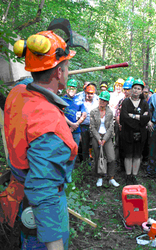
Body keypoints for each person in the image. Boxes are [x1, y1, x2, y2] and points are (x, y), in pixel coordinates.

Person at [3, 30, 78, 250]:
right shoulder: (49, 125)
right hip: (41, 216)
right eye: (66, 66)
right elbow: (43, 192)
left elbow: (29, 81)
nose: (68, 71)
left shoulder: (17, 94)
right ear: (58, 72)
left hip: (18, 195)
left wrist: (45, 73)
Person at [120, 79, 150, 184]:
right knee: (128, 155)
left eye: (139, 89)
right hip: (127, 133)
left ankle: (134, 176)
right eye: (135, 88)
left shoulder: (144, 104)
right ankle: (128, 176)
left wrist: (133, 116)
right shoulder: (126, 102)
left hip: (141, 134)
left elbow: (147, 118)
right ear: (132, 89)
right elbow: (123, 118)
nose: (136, 90)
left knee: (137, 155)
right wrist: (140, 119)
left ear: (142, 91)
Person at [90, 91, 120, 187]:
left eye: (105, 100)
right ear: (99, 99)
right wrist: (99, 138)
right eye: (101, 99)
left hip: (107, 137)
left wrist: (105, 139)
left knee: (111, 158)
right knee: (98, 157)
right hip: (97, 136)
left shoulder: (110, 112)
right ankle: (100, 177)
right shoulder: (93, 112)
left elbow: (111, 127)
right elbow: (92, 127)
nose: (102, 102)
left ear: (107, 102)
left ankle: (111, 177)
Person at [61, 78, 87, 174]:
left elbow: (84, 114)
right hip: (64, 130)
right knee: (64, 151)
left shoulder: (79, 101)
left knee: (74, 151)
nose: (72, 90)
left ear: (76, 89)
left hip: (76, 131)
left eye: (74, 88)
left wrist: (76, 124)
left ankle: (70, 174)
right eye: (70, 88)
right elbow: (60, 113)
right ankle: (62, 173)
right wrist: (71, 124)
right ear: (67, 88)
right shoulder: (62, 100)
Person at [115, 79, 133, 170]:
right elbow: (117, 113)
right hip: (121, 127)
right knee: (120, 145)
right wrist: (119, 124)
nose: (126, 91)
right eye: (125, 89)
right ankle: (121, 165)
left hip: (132, 128)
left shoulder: (135, 102)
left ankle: (131, 166)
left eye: (128, 89)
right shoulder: (121, 101)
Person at [79, 84, 99, 165]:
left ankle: (96, 163)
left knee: (95, 145)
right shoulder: (80, 101)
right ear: (85, 92)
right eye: (87, 93)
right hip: (83, 126)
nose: (89, 95)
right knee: (84, 145)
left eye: (91, 93)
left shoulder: (97, 101)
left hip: (94, 126)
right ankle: (85, 163)